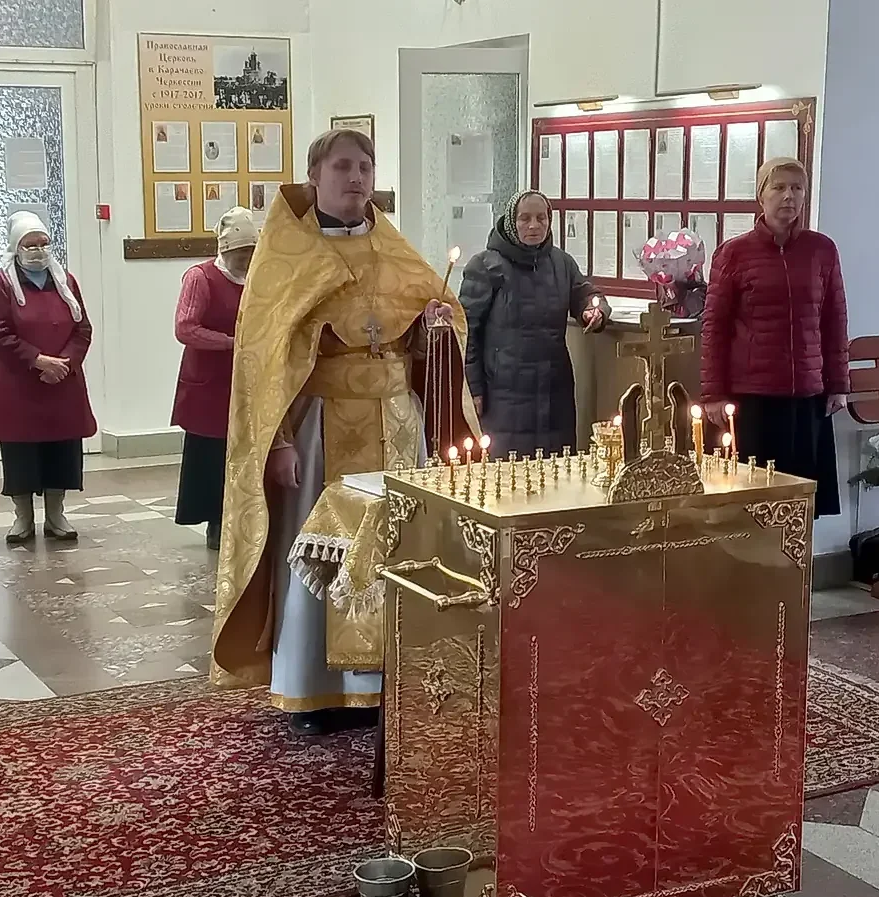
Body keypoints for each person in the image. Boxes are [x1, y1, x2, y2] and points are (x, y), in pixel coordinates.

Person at [209, 128, 472, 736]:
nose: (356, 178)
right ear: (315, 178)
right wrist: (274, 443)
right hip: (322, 427)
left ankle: (387, 681)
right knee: (319, 553)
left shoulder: (394, 247)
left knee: (396, 552)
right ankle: (314, 688)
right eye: (343, 167)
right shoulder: (287, 256)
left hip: (397, 425)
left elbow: (432, 331)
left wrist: (434, 328)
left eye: (365, 166)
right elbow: (262, 362)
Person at [699, 156, 847, 518]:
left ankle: (797, 573)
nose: (788, 197)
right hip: (754, 398)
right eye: (778, 187)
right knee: (754, 499)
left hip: (807, 398)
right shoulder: (734, 253)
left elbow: (834, 319)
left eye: (797, 188)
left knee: (801, 501)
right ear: (761, 196)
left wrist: (838, 384)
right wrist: (713, 395)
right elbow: (714, 328)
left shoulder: (821, 250)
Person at [460, 188, 608, 458]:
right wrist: (473, 389)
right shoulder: (486, 266)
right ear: (510, 221)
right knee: (509, 477)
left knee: (556, 472)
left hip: (554, 390)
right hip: (503, 394)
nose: (534, 225)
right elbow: (467, 332)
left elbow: (585, 294)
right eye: (524, 218)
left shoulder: (561, 263)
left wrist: (594, 310)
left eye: (542, 218)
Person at [0, 211, 95, 544]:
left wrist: (65, 363)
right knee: (21, 451)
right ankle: (23, 518)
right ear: (16, 247)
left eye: (43, 244)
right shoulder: (0, 282)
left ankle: (56, 515)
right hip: (18, 383)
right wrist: (38, 361)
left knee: (62, 448)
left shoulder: (65, 281)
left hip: (62, 381)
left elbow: (82, 327)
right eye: (30, 245)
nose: (38, 250)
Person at [171, 206, 257, 550]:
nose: (246, 260)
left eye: (251, 252)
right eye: (240, 253)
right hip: (209, 381)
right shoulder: (201, 277)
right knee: (212, 454)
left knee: (243, 450)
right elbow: (185, 327)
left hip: (245, 378)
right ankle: (216, 521)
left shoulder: (259, 278)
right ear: (225, 250)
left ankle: (245, 516)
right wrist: (231, 343)